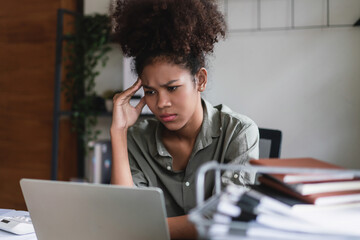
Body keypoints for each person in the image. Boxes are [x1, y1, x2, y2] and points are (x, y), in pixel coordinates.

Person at [110, 0, 259, 239]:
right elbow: (125, 212)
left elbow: (228, 216)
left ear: (200, 80)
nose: (161, 103)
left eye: (172, 88)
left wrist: (145, 227)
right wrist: (118, 132)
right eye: (150, 91)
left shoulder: (239, 132)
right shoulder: (136, 137)